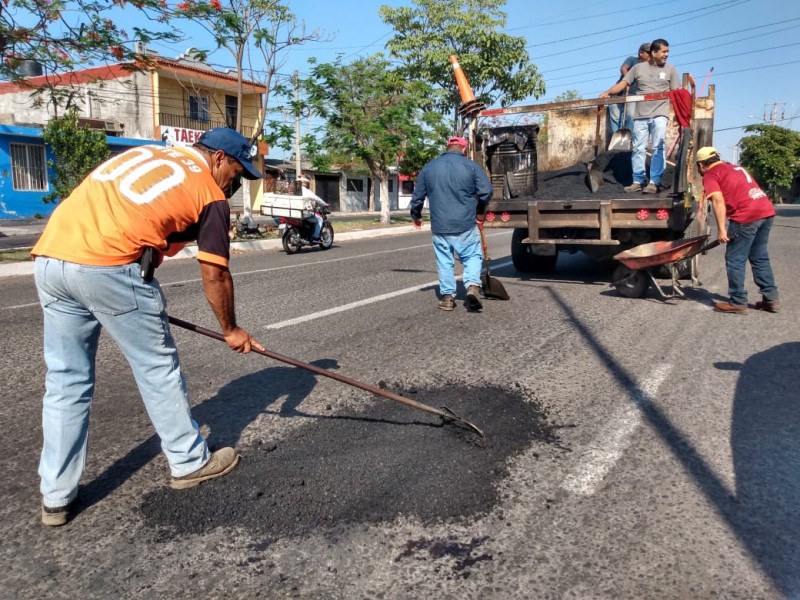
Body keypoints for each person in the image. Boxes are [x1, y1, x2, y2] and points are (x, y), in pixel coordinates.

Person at [31, 127, 266, 527]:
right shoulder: (208, 192)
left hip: (52, 258)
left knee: (67, 381)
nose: (235, 185)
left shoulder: (152, 155)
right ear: (220, 159)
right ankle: (190, 461)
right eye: (237, 174)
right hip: (108, 266)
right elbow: (215, 274)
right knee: (157, 368)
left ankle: (55, 496)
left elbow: (136, 214)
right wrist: (231, 329)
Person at [410, 136, 493, 312]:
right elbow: (486, 191)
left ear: (447, 147)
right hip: (465, 223)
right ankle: (472, 286)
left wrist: (415, 216)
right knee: (472, 256)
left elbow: (417, 198)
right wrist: (480, 210)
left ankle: (447, 298)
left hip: (440, 225)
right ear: (464, 149)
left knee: (444, 260)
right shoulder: (471, 166)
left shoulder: (429, 167)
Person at [696, 146, 780, 314]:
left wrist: (721, 230)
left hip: (746, 216)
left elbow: (718, 201)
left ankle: (738, 302)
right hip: (766, 211)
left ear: (701, 164)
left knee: (735, 259)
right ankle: (771, 299)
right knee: (759, 257)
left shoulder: (711, 174)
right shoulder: (735, 167)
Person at [600, 38, 680, 194]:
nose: (666, 55)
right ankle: (638, 180)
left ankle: (654, 181)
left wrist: (678, 114)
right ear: (654, 52)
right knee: (638, 148)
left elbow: (676, 94)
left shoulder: (670, 69)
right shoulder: (638, 68)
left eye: (667, 52)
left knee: (658, 147)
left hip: (660, 113)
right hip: (640, 114)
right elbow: (624, 83)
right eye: (664, 51)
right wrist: (608, 92)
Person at [607, 43, 650, 134]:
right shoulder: (632, 60)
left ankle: (628, 138)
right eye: (648, 53)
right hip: (617, 93)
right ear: (641, 53)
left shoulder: (649, 67)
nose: (650, 55)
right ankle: (616, 138)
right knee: (615, 117)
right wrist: (628, 79)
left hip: (633, 95)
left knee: (630, 116)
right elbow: (623, 68)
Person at [298, 175, 329, 240]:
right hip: (303, 213)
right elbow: (316, 198)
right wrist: (324, 204)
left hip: (294, 212)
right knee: (320, 219)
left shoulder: (295, 190)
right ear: (306, 183)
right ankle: (315, 236)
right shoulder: (307, 191)